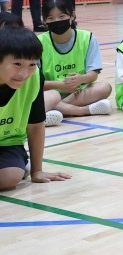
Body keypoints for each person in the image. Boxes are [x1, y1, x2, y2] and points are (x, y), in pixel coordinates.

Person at [0, 24, 71, 191]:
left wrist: (37, 171)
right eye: (17, 64)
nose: (24, 73)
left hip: (7, 143)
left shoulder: (34, 78)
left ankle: (18, 166)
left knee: (9, 178)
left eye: (31, 65)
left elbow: (36, 125)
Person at [39, 0, 113, 127]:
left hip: (78, 93)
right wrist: (61, 85)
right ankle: (82, 111)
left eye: (62, 16)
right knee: (49, 96)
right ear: (44, 20)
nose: (57, 21)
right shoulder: (38, 43)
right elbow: (35, 82)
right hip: (50, 93)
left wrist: (81, 79)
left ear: (72, 15)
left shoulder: (87, 37)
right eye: (51, 18)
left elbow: (93, 74)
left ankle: (53, 110)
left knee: (104, 87)